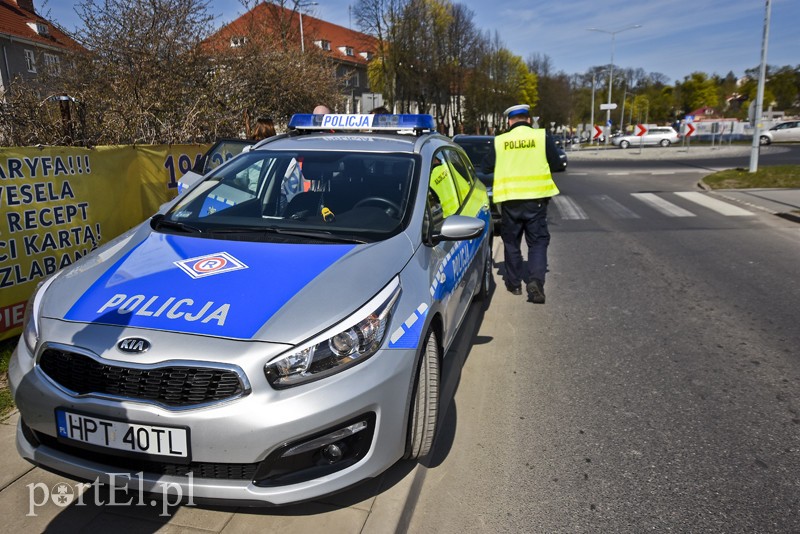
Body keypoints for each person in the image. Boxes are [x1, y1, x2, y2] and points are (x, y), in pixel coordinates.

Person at [482, 104, 561, 304]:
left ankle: (514, 284)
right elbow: (558, 164)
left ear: (509, 121)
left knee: (511, 242)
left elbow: (486, 167)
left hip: (510, 202)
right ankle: (535, 282)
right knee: (537, 242)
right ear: (528, 120)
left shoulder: (500, 141)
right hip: (536, 201)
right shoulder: (541, 137)